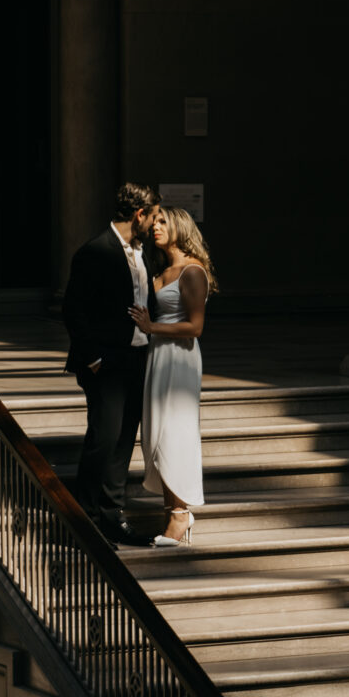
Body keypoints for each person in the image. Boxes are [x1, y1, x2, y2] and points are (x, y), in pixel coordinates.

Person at [62, 183, 161, 548]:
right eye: (152, 218)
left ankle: (111, 516)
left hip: (136, 357)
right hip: (105, 362)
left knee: (122, 444)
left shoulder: (141, 251)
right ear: (139, 215)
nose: (154, 225)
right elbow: (74, 309)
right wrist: (94, 358)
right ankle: (83, 522)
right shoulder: (95, 251)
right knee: (102, 441)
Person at [128, 205, 217, 547]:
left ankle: (180, 515)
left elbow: (195, 327)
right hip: (158, 357)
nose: (156, 227)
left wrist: (152, 327)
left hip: (179, 360)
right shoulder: (162, 270)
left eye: (163, 221)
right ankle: (173, 511)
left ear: (180, 226)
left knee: (173, 435)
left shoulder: (192, 272)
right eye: (155, 221)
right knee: (154, 437)